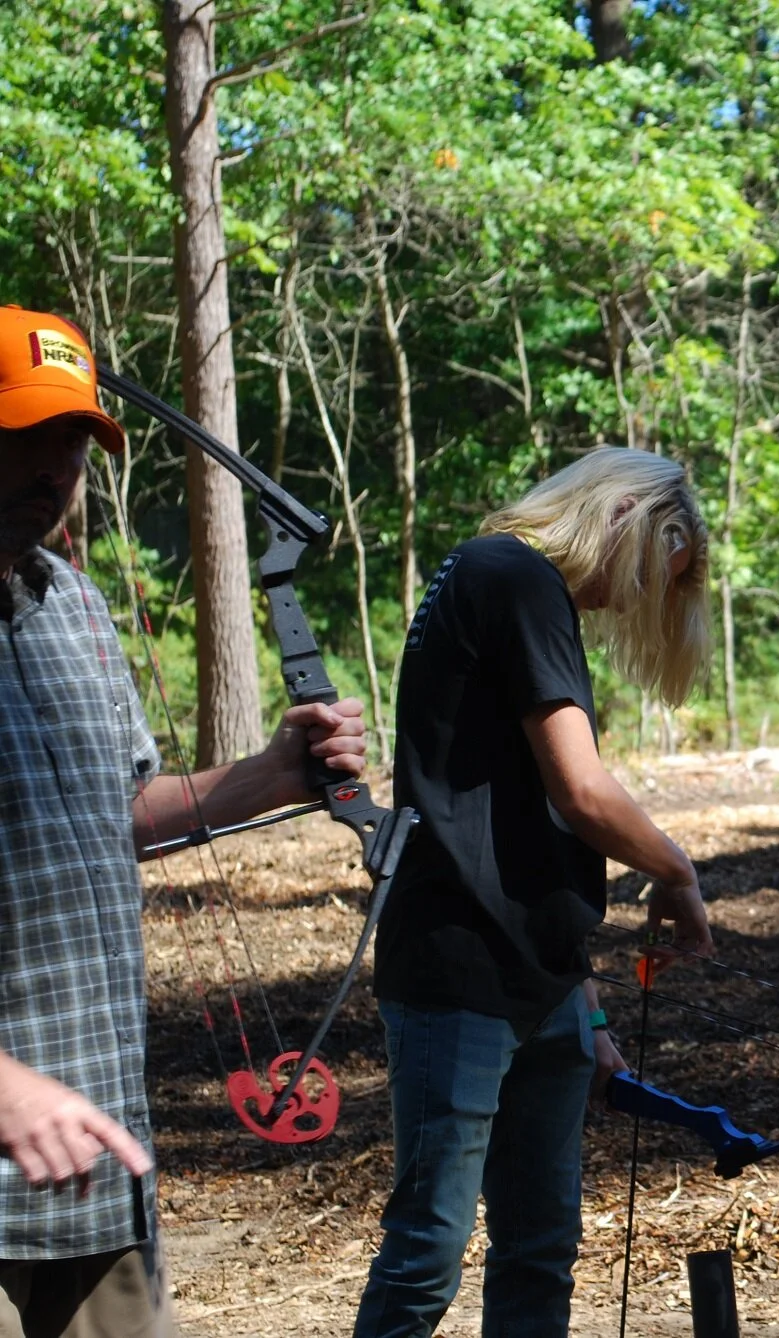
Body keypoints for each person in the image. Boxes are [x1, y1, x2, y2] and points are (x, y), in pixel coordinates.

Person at [0, 306, 367, 1337]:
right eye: (30, 430)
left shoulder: (68, 601)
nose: (59, 464)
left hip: (92, 1153)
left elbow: (111, 815)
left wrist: (271, 776)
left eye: (78, 439)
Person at [354, 447, 716, 1338]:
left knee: (541, 1244)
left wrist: (586, 1012)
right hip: (456, 963)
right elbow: (580, 792)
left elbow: (530, 830)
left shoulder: (504, 580)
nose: (630, 601)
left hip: (544, 979)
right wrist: (676, 870)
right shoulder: (510, 575)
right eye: (647, 575)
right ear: (624, 515)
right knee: (428, 1251)